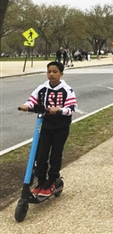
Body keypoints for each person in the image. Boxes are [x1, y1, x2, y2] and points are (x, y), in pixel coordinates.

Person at [19, 61, 77, 198]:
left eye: (55, 72)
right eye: (49, 71)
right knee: (41, 154)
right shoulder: (42, 88)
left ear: (61, 74)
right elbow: (32, 100)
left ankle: (52, 181)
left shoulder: (67, 90)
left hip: (60, 127)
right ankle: (41, 181)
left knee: (55, 155)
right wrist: (27, 106)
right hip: (44, 126)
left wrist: (59, 110)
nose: (51, 74)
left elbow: (71, 108)